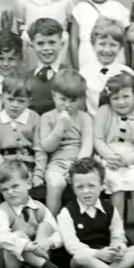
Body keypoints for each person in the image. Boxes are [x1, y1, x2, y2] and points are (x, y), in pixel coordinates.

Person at [53, 159, 134, 268]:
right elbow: (72, 246)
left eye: (91, 186)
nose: (86, 191)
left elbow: (118, 235)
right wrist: (98, 254)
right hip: (85, 259)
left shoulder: (110, 209)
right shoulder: (67, 212)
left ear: (102, 185)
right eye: (80, 187)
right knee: (79, 258)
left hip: (108, 257)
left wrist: (118, 248)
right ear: (73, 188)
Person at [0, 161, 83, 268]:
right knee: (18, 236)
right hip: (10, 264)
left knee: (46, 226)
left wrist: (48, 243)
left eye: (15, 186)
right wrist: (27, 245)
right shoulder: (3, 210)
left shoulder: (39, 207)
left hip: (36, 257)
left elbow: (58, 233)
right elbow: (2, 236)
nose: (10, 192)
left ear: (28, 184)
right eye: (5, 189)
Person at [93, 70, 134, 241]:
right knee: (115, 184)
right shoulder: (104, 112)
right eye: (115, 98)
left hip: (132, 158)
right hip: (109, 158)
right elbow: (98, 139)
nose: (121, 102)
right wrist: (109, 156)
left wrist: (131, 159)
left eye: (126, 96)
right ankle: (118, 230)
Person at [36, 69, 93, 214]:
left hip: (80, 163)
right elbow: (47, 147)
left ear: (80, 99)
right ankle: (52, 223)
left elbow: (87, 146)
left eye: (73, 101)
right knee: (55, 183)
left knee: (87, 183)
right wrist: (60, 127)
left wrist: (76, 168)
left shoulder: (84, 118)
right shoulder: (47, 117)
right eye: (63, 99)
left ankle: (86, 223)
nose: (67, 105)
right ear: (54, 96)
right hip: (57, 165)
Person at [71, 0, 130, 70]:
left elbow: (126, 42)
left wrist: (128, 66)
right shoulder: (80, 9)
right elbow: (74, 41)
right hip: (87, 62)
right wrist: (76, 68)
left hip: (116, 62)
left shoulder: (119, 9)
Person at [78, 17, 132, 117]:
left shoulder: (126, 73)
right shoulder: (84, 74)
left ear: (120, 47)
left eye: (113, 45)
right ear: (93, 44)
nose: (107, 50)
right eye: (102, 44)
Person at [26, 17, 71, 115]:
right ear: (32, 45)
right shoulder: (26, 79)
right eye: (40, 43)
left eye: (52, 42)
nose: (46, 48)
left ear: (61, 44)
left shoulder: (70, 76)